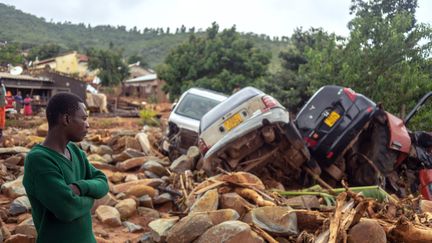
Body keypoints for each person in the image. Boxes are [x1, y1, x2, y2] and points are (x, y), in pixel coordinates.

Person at [23, 92, 109, 243]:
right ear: (66, 119)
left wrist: (79, 187)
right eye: (83, 118)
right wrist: (93, 199)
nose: (87, 124)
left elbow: (103, 182)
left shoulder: (76, 152)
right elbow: (67, 210)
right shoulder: (39, 160)